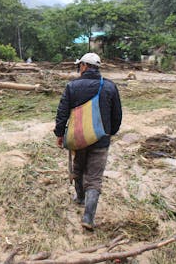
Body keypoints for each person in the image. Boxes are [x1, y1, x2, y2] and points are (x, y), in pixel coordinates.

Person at [54, 53, 122, 230]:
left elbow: (62, 113)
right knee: (94, 177)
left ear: (84, 66)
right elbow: (117, 115)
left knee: (78, 168)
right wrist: (110, 133)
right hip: (101, 140)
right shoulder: (110, 87)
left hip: (79, 139)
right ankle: (88, 217)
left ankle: (80, 198)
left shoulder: (72, 86)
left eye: (80, 66)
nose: (79, 68)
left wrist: (59, 134)